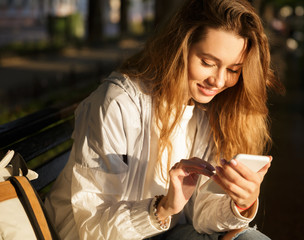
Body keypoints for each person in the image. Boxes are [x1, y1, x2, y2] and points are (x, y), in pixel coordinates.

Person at [45, 0, 283, 239]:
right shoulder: (119, 103)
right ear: (180, 48)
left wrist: (241, 202)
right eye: (208, 63)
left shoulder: (211, 110)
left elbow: (202, 216)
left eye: (233, 70)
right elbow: (90, 225)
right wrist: (163, 208)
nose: (219, 81)